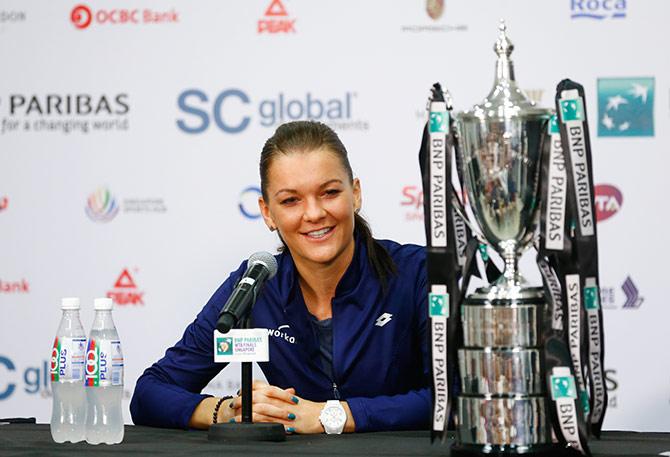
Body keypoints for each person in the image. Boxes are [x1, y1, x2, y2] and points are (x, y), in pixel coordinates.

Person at [130, 121, 429, 434]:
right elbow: (149, 393)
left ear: (355, 194)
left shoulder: (417, 274)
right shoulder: (255, 285)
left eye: (329, 193)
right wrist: (229, 411)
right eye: (290, 200)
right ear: (267, 213)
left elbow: (452, 398)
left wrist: (332, 416)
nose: (313, 213)